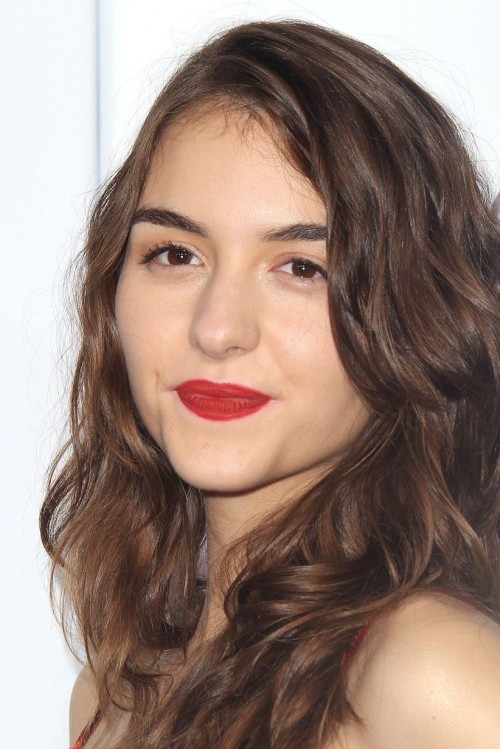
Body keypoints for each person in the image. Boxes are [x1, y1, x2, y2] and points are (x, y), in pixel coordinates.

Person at [40, 19, 500, 749]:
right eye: (176, 254)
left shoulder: (430, 675)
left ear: (417, 315)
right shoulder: (111, 695)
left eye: (301, 267)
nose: (217, 328)